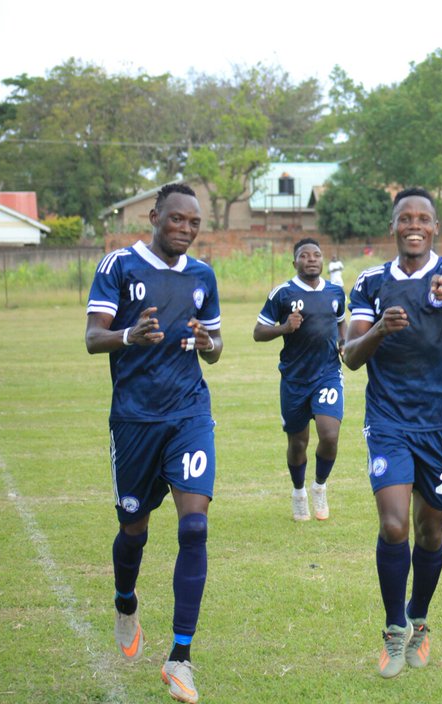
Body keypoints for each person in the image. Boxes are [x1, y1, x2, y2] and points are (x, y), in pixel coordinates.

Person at [85, 183, 222, 704]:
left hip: (190, 413)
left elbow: (214, 345)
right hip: (135, 420)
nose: (185, 229)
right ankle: (125, 600)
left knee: (194, 526)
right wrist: (129, 336)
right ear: (154, 215)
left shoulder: (203, 275)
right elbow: (94, 337)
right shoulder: (117, 266)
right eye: (177, 220)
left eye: (194, 223)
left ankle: (181, 658)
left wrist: (209, 343)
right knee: (133, 529)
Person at [343, 188, 442, 678]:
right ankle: (395, 628)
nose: (414, 225)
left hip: (441, 422)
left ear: (436, 228)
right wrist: (379, 329)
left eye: (423, 218)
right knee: (395, 524)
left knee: (431, 530)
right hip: (389, 421)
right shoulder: (371, 281)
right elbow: (350, 355)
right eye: (405, 218)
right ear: (393, 226)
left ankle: (420, 619)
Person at [254, 238, 347, 521]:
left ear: (322, 260)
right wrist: (285, 327)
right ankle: (298, 492)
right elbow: (258, 332)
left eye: (316, 255)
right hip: (294, 379)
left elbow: (342, 320)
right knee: (298, 443)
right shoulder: (282, 293)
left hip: (328, 374)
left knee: (329, 435)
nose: (311, 259)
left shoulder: (335, 291)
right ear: (295, 263)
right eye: (304, 255)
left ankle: (319, 486)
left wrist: (344, 343)